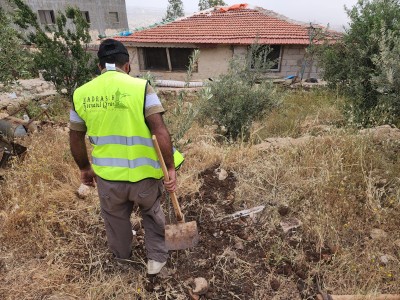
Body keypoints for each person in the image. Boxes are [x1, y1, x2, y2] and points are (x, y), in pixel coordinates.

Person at [69, 39, 184, 275]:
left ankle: (123, 259)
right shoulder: (141, 88)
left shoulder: (81, 94)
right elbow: (158, 129)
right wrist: (170, 167)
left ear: (99, 67)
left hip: (108, 179)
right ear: (127, 65)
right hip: (144, 178)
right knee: (152, 215)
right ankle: (156, 261)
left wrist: (84, 168)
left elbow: (75, 137)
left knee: (115, 221)